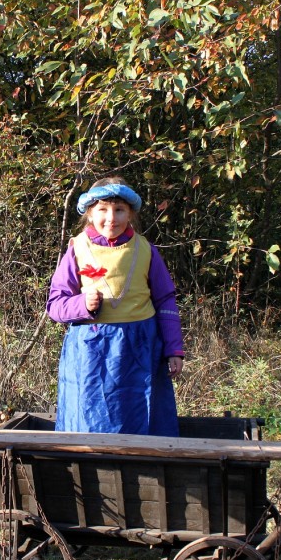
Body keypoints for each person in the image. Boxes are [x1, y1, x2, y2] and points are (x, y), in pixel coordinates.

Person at [46, 177, 184, 436]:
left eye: (119, 210)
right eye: (103, 210)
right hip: (91, 354)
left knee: (142, 417)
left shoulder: (146, 250)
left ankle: (144, 461)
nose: (111, 218)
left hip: (141, 350)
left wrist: (173, 349)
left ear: (130, 213)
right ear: (89, 214)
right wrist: (82, 304)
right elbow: (55, 304)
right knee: (90, 421)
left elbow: (165, 301)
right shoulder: (78, 249)